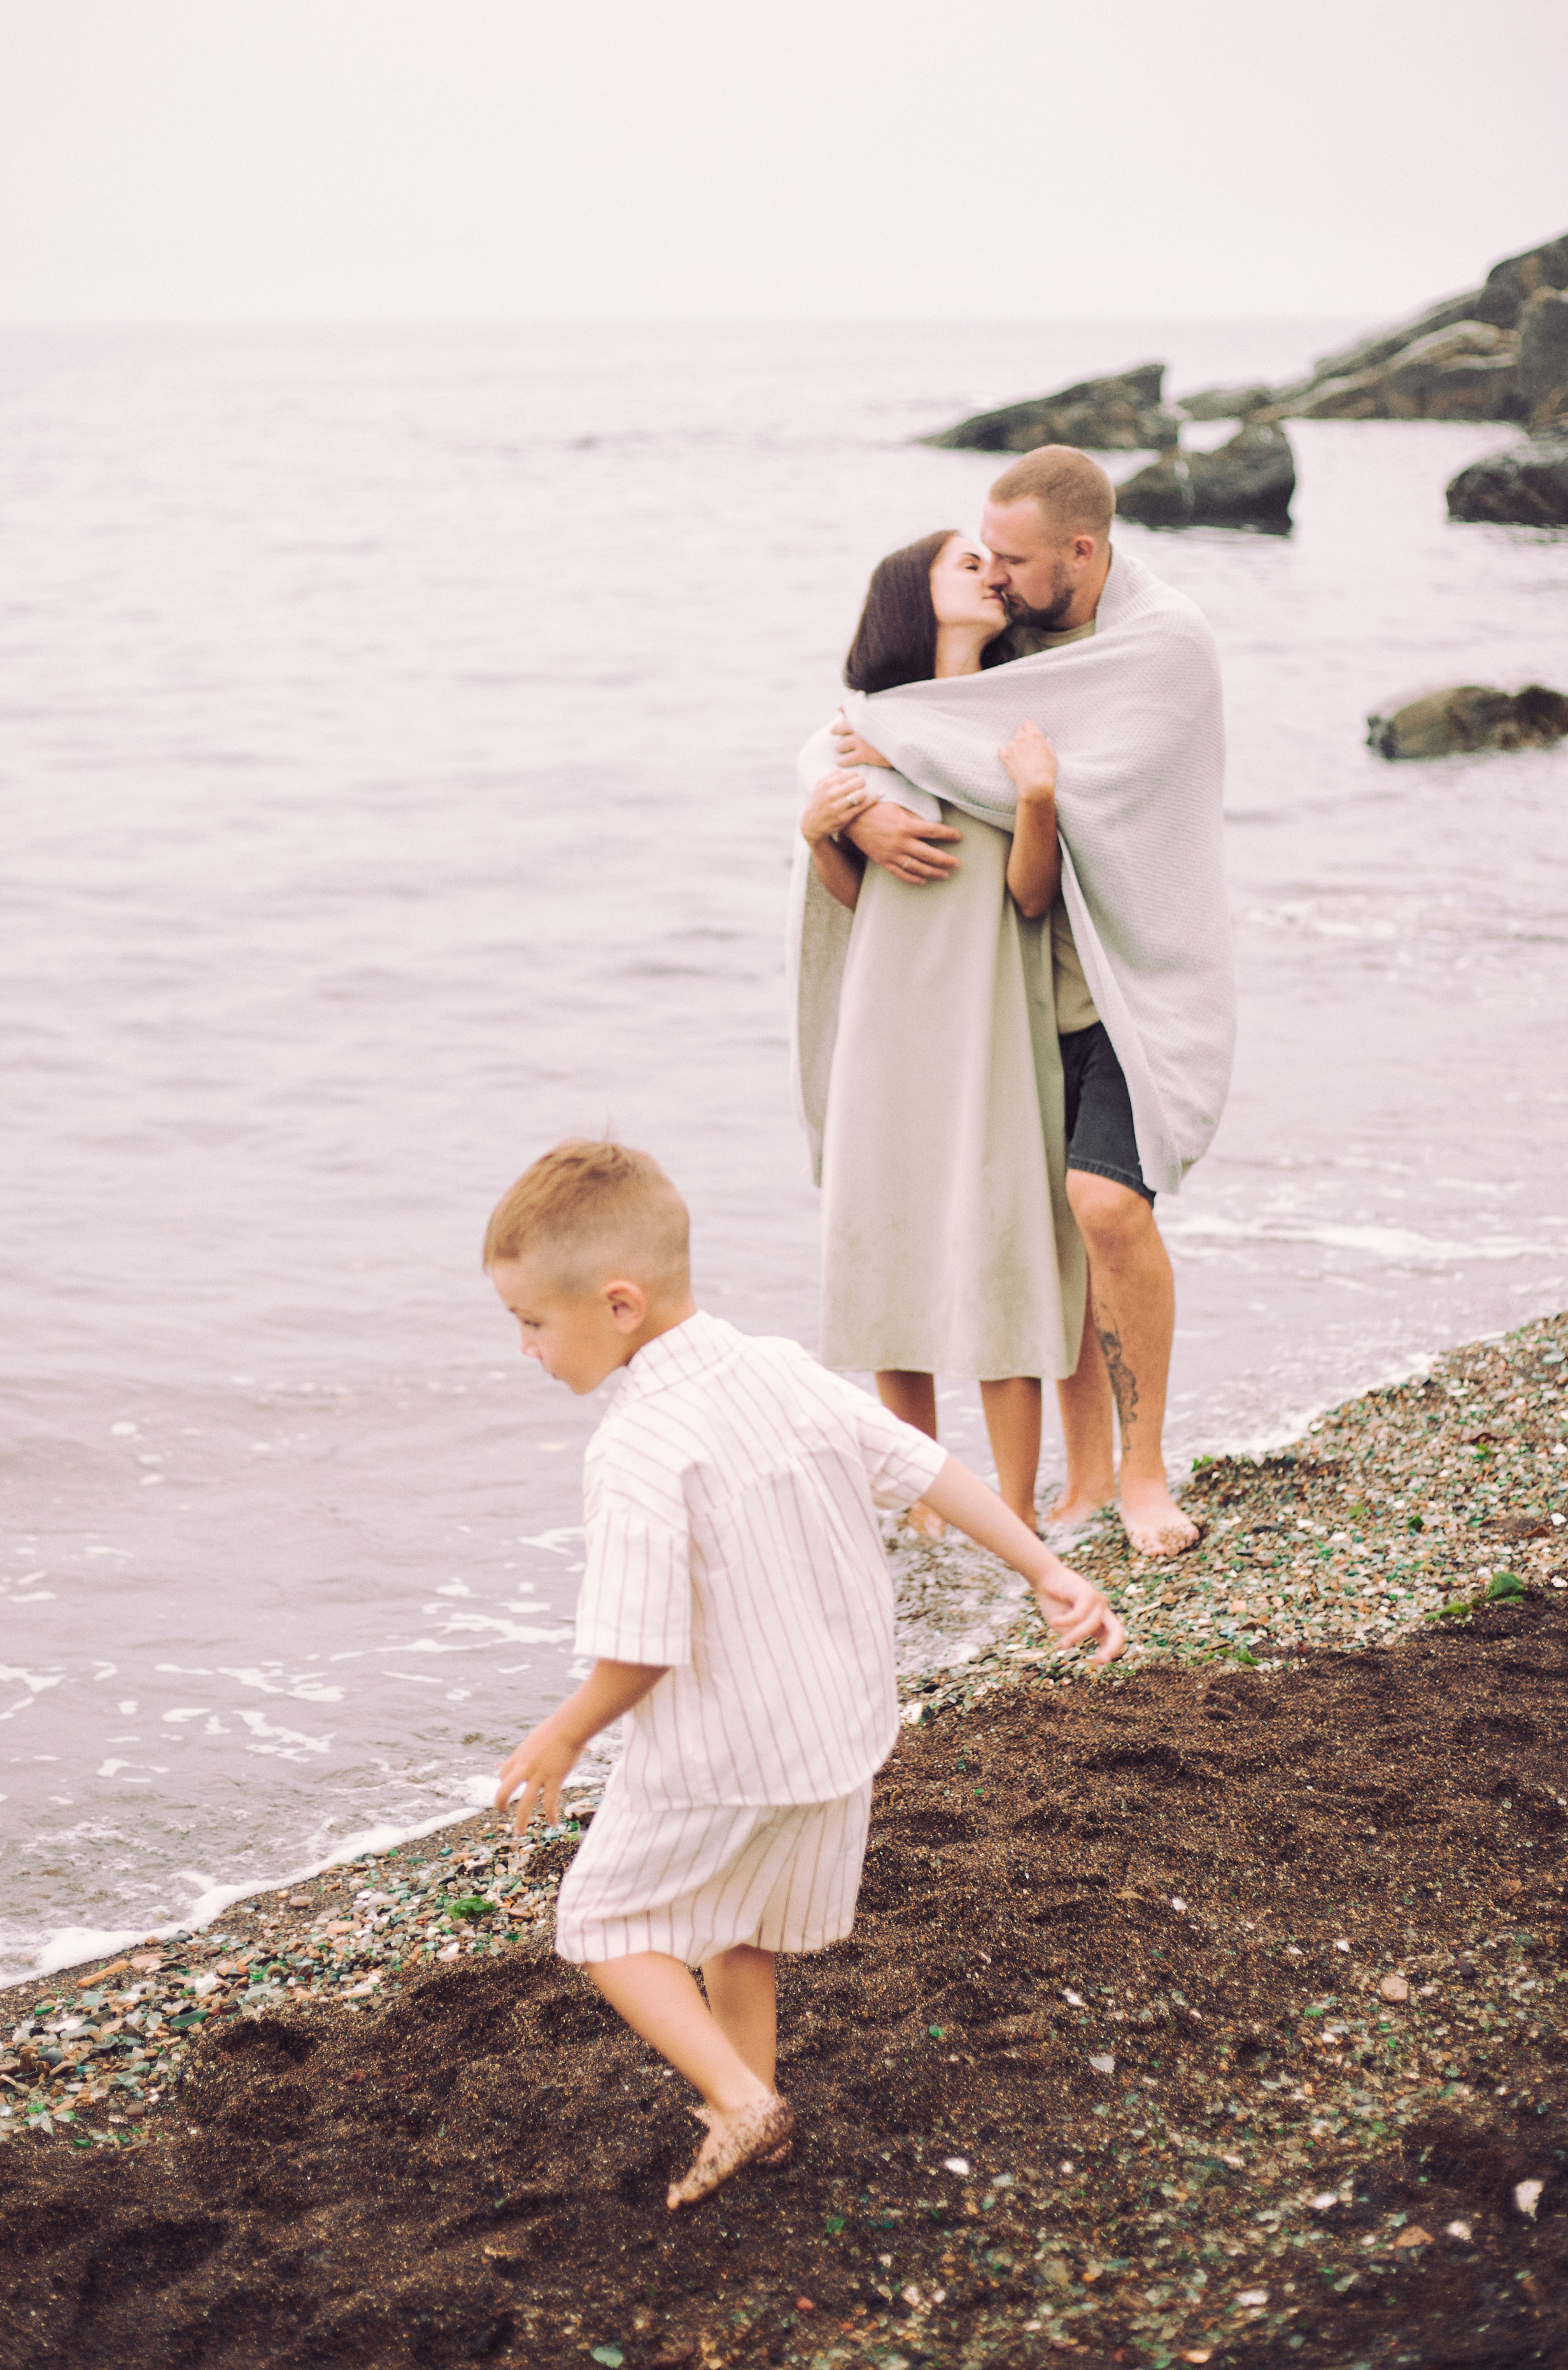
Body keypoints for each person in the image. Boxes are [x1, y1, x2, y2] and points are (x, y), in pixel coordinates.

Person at [485, 1138, 1126, 2209]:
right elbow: (923, 1467)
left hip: (723, 1754)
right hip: (839, 1735)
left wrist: (565, 1733)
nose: (526, 1350)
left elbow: (642, 1647)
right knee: (744, 1931)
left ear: (620, 1304)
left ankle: (741, 2105)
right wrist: (1047, 1569)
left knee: (602, 1925)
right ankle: (758, 2110)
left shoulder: (638, 1445)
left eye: (532, 1324)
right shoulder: (778, 1368)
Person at [809, 446, 1235, 1562]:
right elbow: (875, 714)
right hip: (1007, 1016)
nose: (997, 576)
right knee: (1052, 1234)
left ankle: (1138, 1476)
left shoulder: (1160, 646)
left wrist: (1012, 785)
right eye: (982, 557)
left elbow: (1081, 792)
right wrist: (842, 815)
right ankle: (1082, 1482)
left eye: (1015, 560)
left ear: (1082, 553)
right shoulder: (1015, 643)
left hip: (1129, 988)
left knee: (1103, 1209)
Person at [795, 529, 1108, 1537]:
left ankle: (1012, 1509)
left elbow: (1030, 897)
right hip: (886, 1024)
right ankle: (924, 1498)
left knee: (1001, 1250)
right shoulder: (857, 731)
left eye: (993, 562)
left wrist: (1037, 798)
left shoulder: (1018, 725)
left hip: (989, 1019)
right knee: (890, 1250)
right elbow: (850, 900)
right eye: (965, 564)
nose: (990, 573)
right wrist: (827, 832)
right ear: (909, 598)